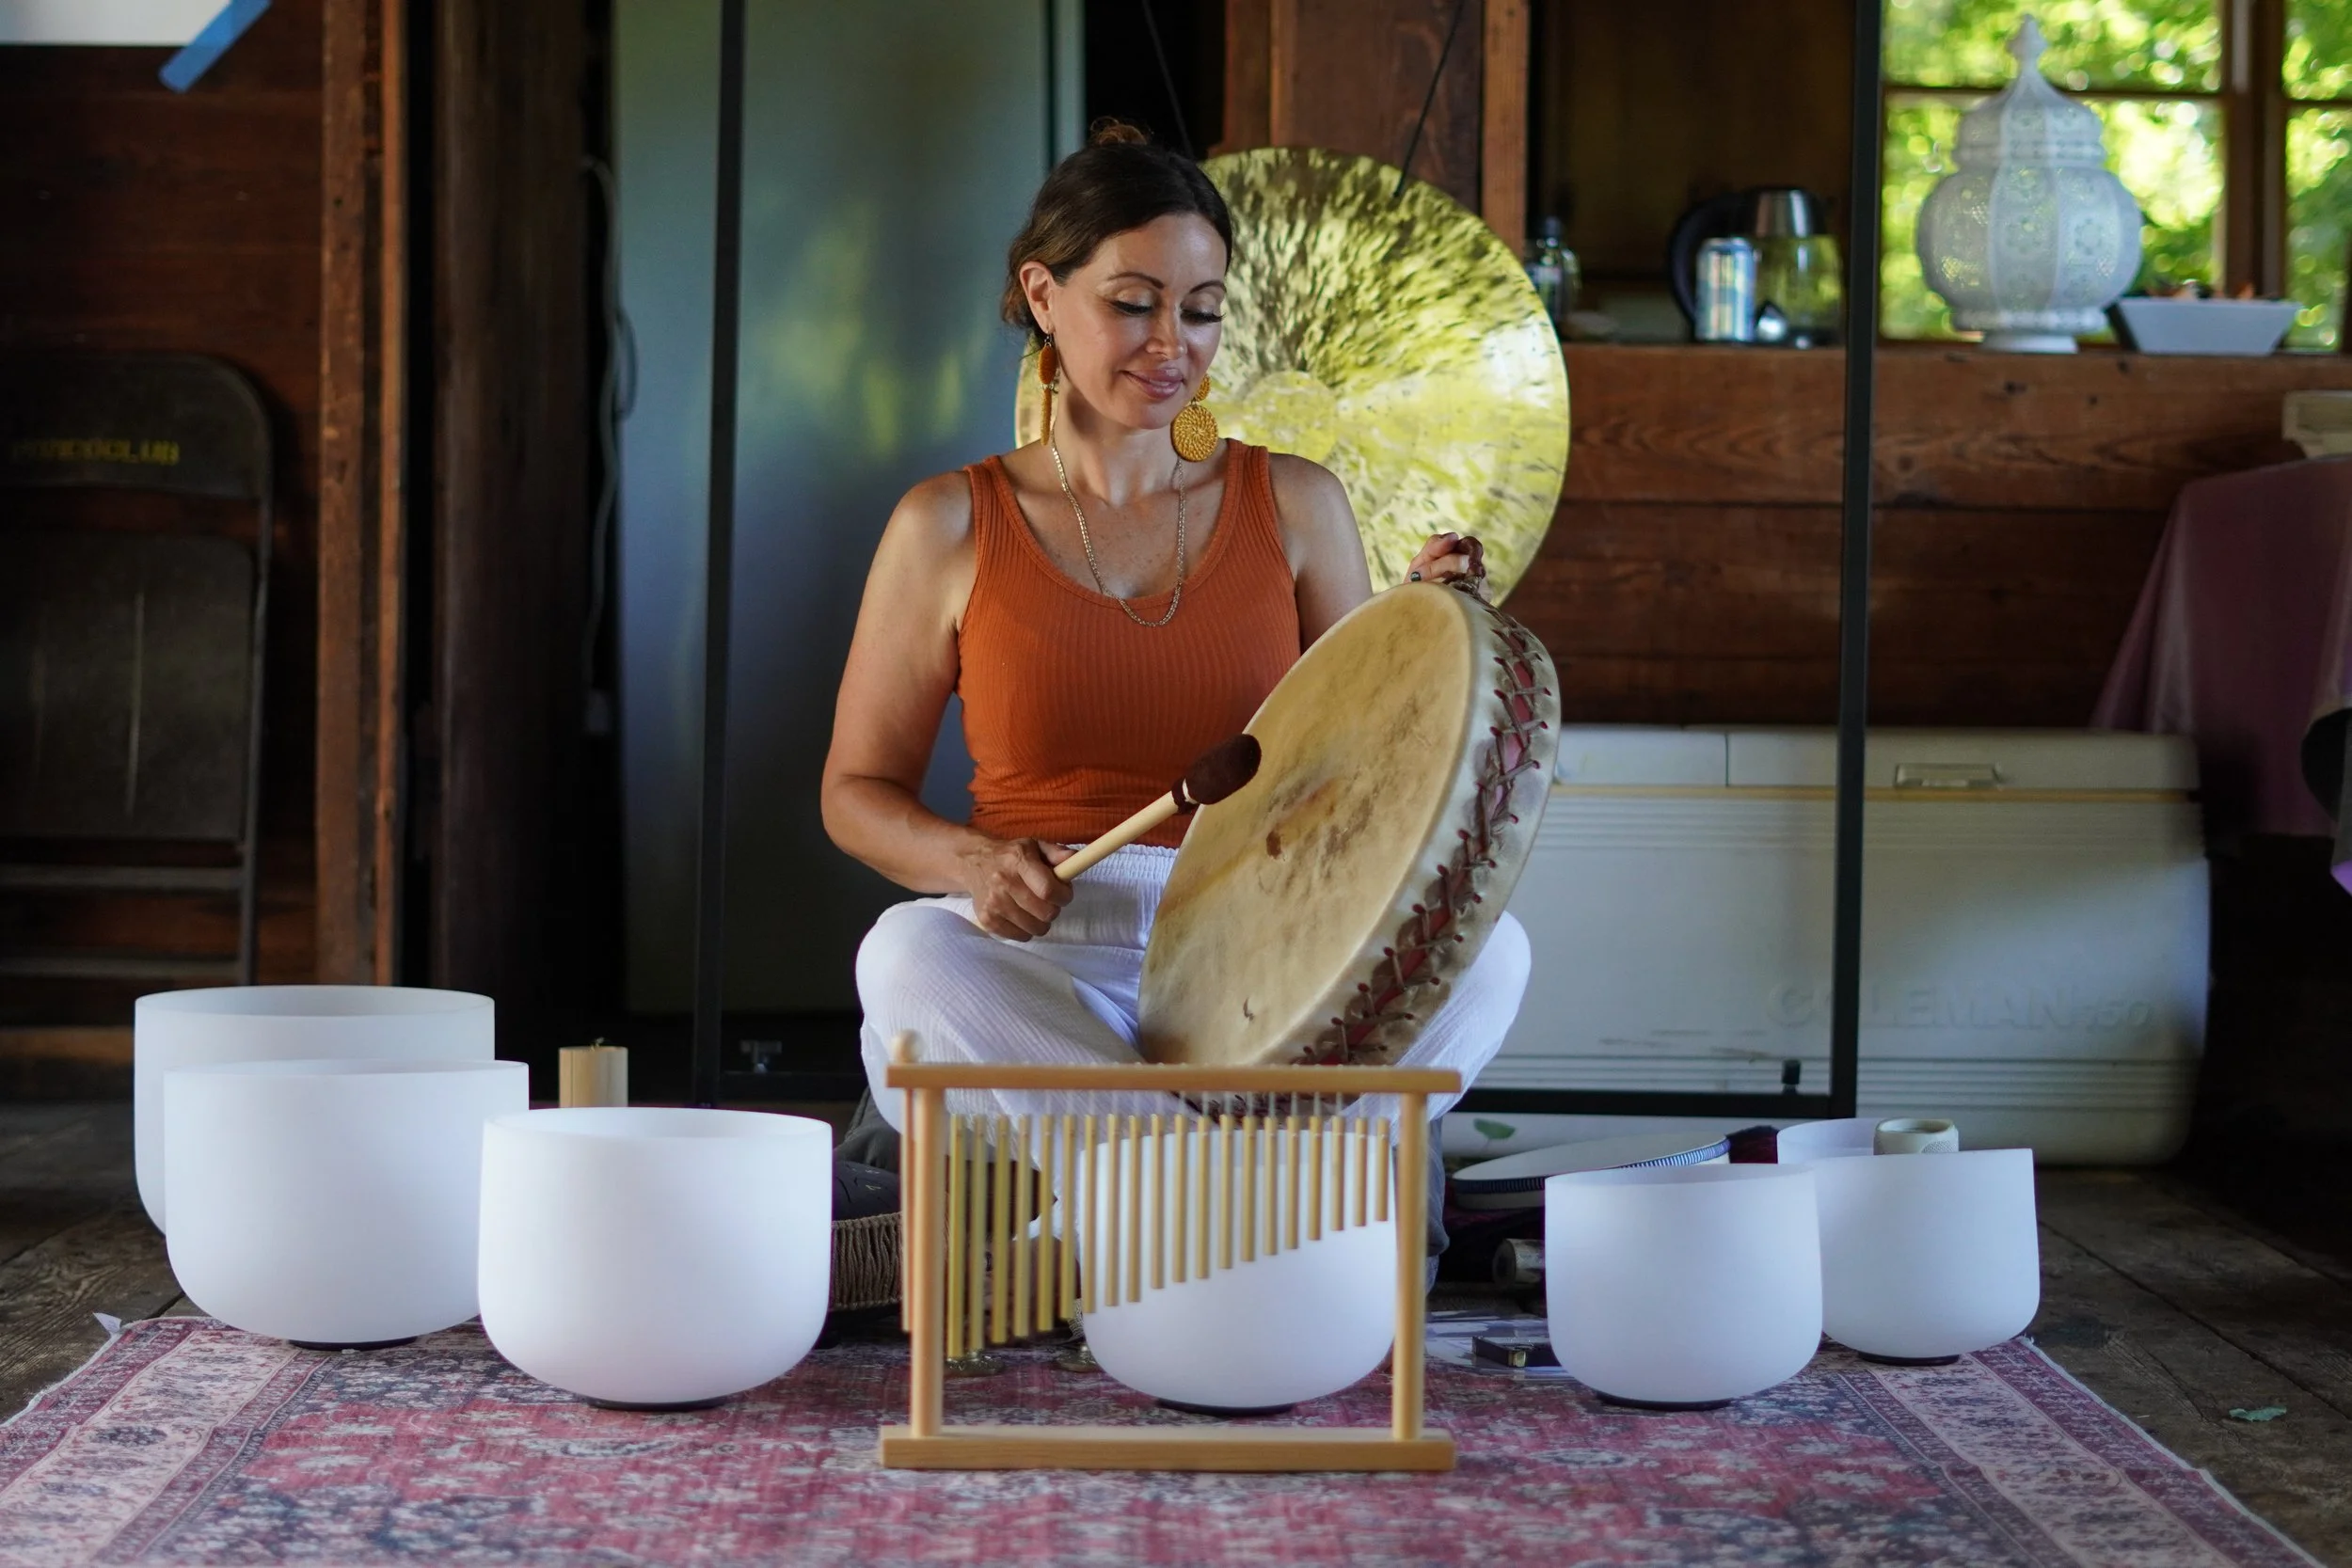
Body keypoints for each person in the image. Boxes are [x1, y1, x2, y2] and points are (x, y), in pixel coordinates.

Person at [821, 124, 1529, 1257]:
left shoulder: (1294, 502)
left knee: (1495, 950)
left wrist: (1426, 631)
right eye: (1135, 302)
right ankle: (1253, 1193)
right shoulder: (947, 521)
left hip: (1258, 925)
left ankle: (1136, 1206)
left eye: (1200, 309)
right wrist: (971, 864)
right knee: (904, 956)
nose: (1172, 344)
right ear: (1043, 295)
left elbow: (1370, 765)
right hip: (1042, 945)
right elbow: (855, 792)